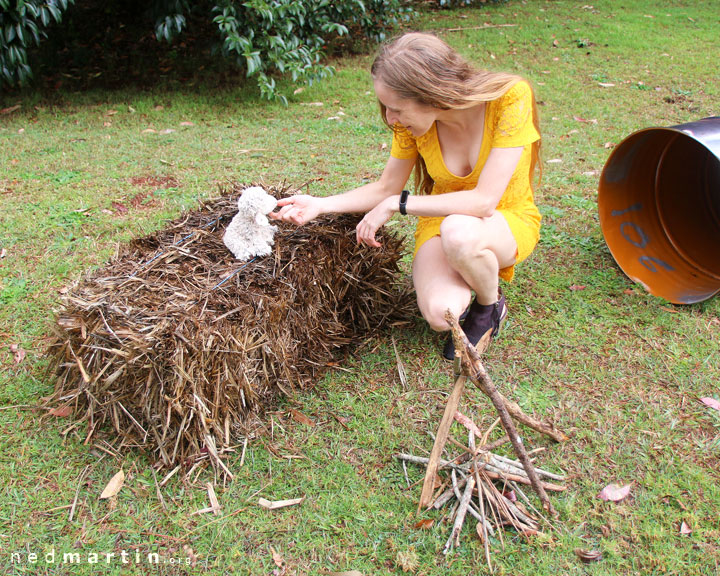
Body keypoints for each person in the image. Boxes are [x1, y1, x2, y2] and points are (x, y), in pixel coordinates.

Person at [270, 32, 542, 359]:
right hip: (442, 223)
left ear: (430, 93)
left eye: (396, 108)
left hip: (504, 218)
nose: (389, 119)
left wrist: (400, 205)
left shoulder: (509, 97)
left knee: (459, 233)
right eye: (385, 107)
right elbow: (387, 187)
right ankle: (468, 266)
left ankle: (489, 303)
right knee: (442, 314)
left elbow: (484, 202)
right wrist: (320, 204)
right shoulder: (412, 127)